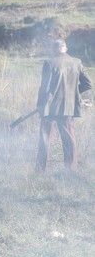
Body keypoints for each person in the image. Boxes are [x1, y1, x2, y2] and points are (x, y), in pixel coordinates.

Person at [35, 38, 92, 171]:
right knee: (69, 138)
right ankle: (70, 170)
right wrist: (74, 92)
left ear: (54, 49)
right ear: (65, 49)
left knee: (45, 138)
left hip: (50, 108)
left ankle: (41, 169)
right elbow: (88, 84)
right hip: (69, 106)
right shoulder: (77, 62)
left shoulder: (49, 63)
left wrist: (40, 105)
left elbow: (44, 88)